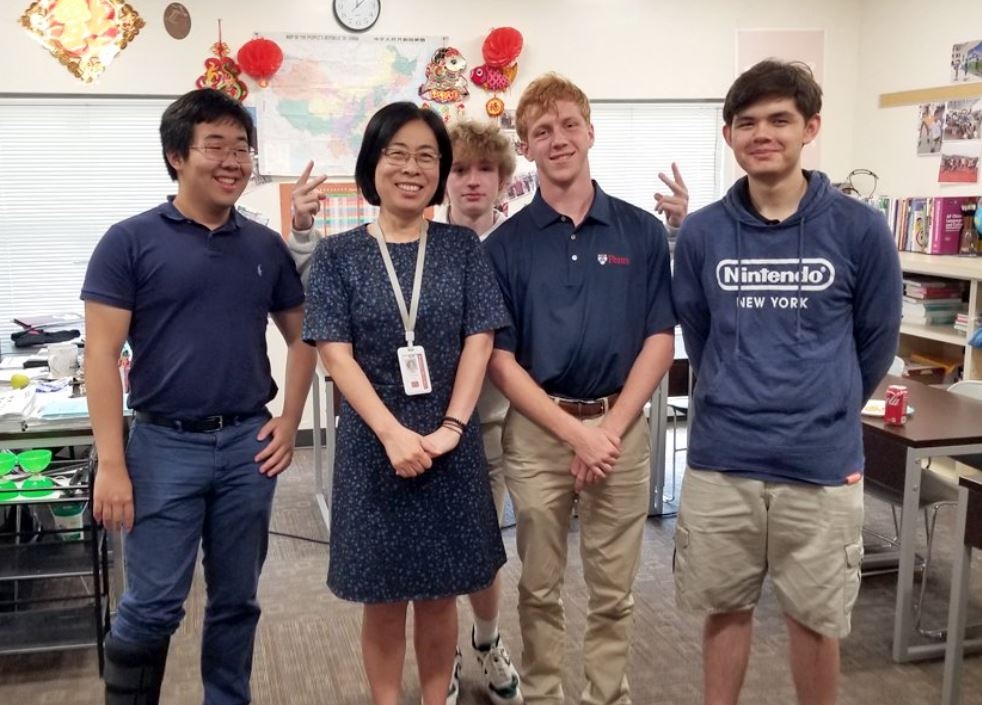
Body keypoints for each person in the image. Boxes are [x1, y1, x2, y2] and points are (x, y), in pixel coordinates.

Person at [671, 59, 903, 705]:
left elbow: (877, 339)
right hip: (723, 458)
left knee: (816, 618)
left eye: (780, 119)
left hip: (820, 462)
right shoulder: (703, 232)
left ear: (811, 127)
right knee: (724, 609)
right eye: (747, 122)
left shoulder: (860, 229)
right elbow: (698, 330)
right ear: (729, 135)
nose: (762, 133)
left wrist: (824, 402)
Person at [81, 88, 316, 705]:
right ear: (176, 156)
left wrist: (290, 420)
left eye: (242, 149)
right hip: (163, 445)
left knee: (237, 600)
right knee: (152, 605)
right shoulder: (128, 242)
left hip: (247, 444)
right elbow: (100, 357)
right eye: (216, 146)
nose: (233, 161)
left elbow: (305, 338)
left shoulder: (264, 247)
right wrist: (110, 463)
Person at [484, 73, 687, 705]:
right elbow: (500, 360)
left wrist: (608, 430)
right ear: (527, 148)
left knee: (613, 590)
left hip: (620, 432)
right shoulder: (506, 245)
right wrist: (575, 434)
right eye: (541, 131)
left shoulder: (641, 233)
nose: (559, 139)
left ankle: (608, 696)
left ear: (591, 131)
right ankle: (543, 693)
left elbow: (660, 338)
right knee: (538, 587)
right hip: (540, 436)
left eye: (570, 124)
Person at [301, 102, 509, 705]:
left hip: (449, 445)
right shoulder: (340, 255)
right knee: (384, 596)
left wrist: (451, 426)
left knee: (441, 593)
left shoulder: (461, 249)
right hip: (374, 446)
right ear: (374, 163)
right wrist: (393, 433)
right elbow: (334, 354)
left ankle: (434, 697)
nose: (412, 168)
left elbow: (481, 339)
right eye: (398, 154)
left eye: (427, 156)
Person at [433, 118, 523, 705]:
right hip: (417, 432)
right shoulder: (419, 242)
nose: (471, 182)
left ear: (503, 180)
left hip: (491, 428)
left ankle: (485, 644)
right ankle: (438, 668)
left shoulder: (521, 247)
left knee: (484, 549)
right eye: (459, 170)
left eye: (484, 170)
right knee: (430, 559)